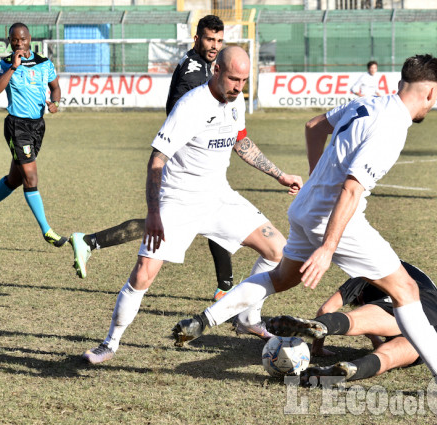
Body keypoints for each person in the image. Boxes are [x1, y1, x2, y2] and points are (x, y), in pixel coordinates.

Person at [172, 54, 437, 395]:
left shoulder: (369, 103)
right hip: (336, 219)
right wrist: (328, 248)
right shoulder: (391, 128)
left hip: (304, 209)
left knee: (279, 278)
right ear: (431, 93)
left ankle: (204, 320)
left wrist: (316, 182)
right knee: (406, 290)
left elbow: (314, 127)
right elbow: (351, 189)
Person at [82, 46, 303, 365]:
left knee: (277, 251)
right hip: (178, 200)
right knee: (144, 273)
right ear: (216, 71)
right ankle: (109, 343)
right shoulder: (191, 105)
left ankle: (247, 318)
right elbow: (157, 160)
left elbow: (241, 141)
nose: (238, 87)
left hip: (219, 196)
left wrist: (279, 175)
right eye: (232, 79)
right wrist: (155, 214)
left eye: (243, 80)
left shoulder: (236, 99)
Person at [69, 16, 234, 301]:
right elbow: (184, 112)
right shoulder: (194, 73)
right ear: (197, 39)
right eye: (209, 39)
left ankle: (89, 241)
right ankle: (226, 290)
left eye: (219, 41)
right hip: (184, 160)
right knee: (186, 220)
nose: (214, 46)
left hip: (193, 157)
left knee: (199, 217)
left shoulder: (203, 65)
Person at [268, 261, 437, 385]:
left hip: (411, 302)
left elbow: (326, 309)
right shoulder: (405, 269)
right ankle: (354, 369)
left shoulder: (371, 268)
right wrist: (376, 342)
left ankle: (324, 329)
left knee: (353, 319)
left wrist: (316, 348)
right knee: (386, 357)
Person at [0, 23, 66, 247]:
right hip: (16, 126)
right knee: (31, 178)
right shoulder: (4, 64)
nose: (19, 43)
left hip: (37, 127)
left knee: (15, 179)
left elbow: (55, 88)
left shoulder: (44, 63)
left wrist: (55, 103)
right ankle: (47, 231)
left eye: (22, 39)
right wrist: (13, 67)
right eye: (14, 40)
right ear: (9, 41)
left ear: (30, 38)